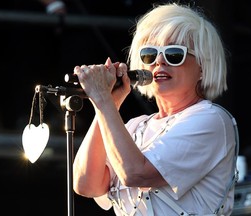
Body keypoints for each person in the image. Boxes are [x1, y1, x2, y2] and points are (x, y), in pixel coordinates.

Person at [73, 3, 239, 216]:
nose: (160, 61)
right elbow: (86, 184)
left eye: (174, 54)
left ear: (202, 67)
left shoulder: (211, 119)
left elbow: (136, 173)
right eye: (150, 54)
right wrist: (107, 103)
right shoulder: (134, 126)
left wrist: (103, 100)